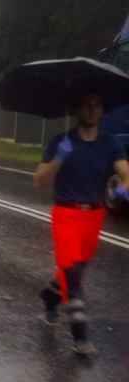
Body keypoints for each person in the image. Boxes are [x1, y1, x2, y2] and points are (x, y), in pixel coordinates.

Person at [34, 91, 129, 354]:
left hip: (94, 216)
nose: (92, 111)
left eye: (97, 106)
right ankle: (80, 335)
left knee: (75, 268)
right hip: (66, 213)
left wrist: (124, 188)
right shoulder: (61, 142)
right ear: (76, 110)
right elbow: (39, 181)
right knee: (72, 273)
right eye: (86, 106)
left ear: (102, 110)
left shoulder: (110, 143)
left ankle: (49, 295)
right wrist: (58, 159)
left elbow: (125, 172)